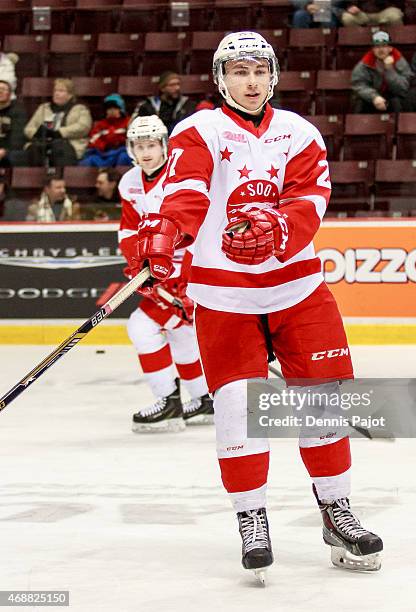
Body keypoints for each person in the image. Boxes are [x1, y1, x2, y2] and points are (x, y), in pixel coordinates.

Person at [131, 31, 383, 581]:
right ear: (221, 78)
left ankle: (336, 512)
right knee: (237, 408)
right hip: (225, 297)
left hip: (298, 290)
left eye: (259, 71)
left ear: (273, 76)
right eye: (238, 71)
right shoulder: (197, 131)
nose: (250, 81)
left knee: (322, 404)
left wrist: (281, 227)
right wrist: (168, 231)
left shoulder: (299, 132)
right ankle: (252, 517)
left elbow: (311, 199)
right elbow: (188, 191)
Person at [118, 115, 213, 433]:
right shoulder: (129, 182)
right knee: (181, 333)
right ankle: (203, 400)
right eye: (139, 146)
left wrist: (186, 284)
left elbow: (198, 229)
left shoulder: (179, 176)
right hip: (156, 272)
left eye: (151, 145)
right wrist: (139, 269)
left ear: (164, 146)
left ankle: (169, 403)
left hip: (189, 268)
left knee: (141, 327)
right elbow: (129, 230)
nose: (146, 152)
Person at [24, 78, 92, 167]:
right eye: (55, 90)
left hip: (70, 144)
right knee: (33, 149)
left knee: (59, 147)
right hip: (43, 142)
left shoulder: (80, 109)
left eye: (61, 91)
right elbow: (28, 128)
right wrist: (39, 133)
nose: (56, 93)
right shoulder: (44, 108)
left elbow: (83, 127)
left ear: (70, 95)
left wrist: (59, 132)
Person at [351, 31, 412, 113]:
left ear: (390, 48)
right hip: (373, 98)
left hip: (392, 96)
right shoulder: (365, 64)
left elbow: (403, 88)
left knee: (401, 100)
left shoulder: (399, 61)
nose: (381, 50)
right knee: (359, 101)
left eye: (384, 46)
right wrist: (374, 97)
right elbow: (359, 85)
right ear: (373, 49)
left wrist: (389, 70)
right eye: (377, 46)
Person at [132, 71, 198, 134]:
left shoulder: (187, 104)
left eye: (178, 84)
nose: (177, 88)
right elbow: (133, 126)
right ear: (162, 88)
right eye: (172, 85)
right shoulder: (148, 106)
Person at [80, 94, 132, 167]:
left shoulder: (128, 122)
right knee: (88, 160)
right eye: (109, 108)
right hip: (103, 153)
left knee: (123, 157)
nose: (111, 111)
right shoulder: (100, 124)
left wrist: (117, 141)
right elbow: (93, 141)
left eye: (115, 108)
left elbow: (132, 141)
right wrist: (104, 146)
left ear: (121, 109)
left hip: (121, 151)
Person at [0, 79, 26, 167]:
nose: (0, 92)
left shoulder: (18, 111)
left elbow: (17, 137)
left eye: (3, 89)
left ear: (10, 94)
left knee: (15, 156)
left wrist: (4, 150)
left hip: (9, 149)